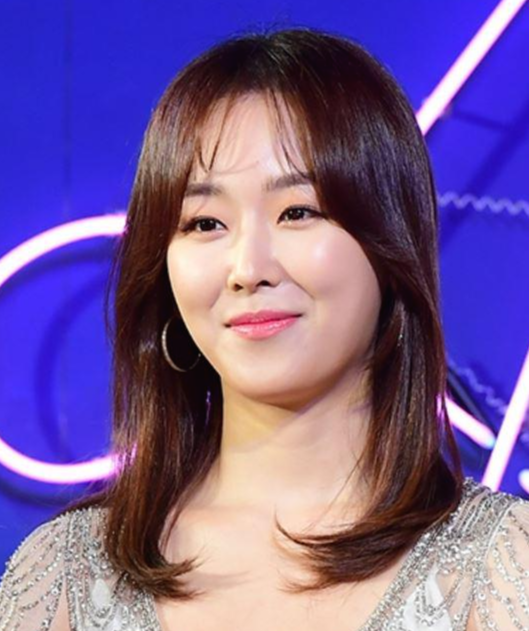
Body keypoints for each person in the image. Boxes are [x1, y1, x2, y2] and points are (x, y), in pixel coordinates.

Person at [0, 26, 528, 631]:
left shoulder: (502, 570)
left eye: (298, 212)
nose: (248, 270)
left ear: (391, 241)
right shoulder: (64, 577)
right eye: (205, 223)